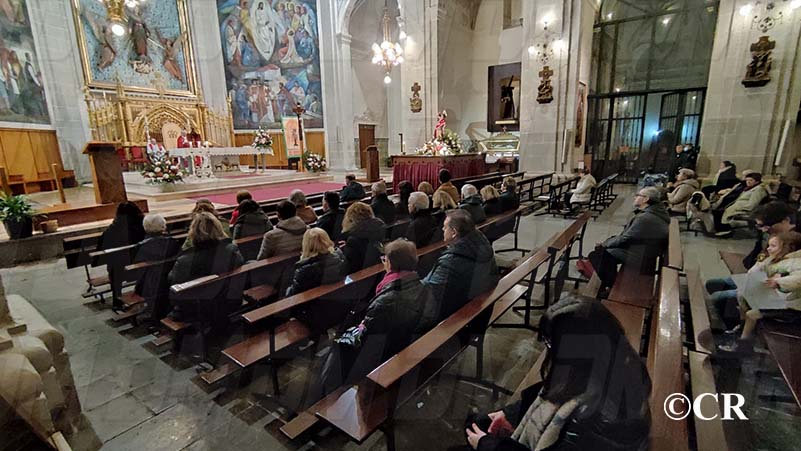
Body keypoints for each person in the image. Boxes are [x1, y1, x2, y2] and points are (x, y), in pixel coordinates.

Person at [464, 297, 651, 451]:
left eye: (550, 342)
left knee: (475, 434)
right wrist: (510, 415)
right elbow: (554, 391)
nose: (548, 349)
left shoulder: (602, 416)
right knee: (478, 423)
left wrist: (490, 446)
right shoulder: (603, 368)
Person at [315, 239, 436, 397]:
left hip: (383, 356)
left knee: (335, 352)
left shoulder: (386, 301)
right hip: (404, 345)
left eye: (385, 259)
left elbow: (367, 340)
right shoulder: (423, 287)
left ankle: (323, 396)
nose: (384, 263)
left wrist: (346, 336)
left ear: (390, 264)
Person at [707, 202, 801, 329]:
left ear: (786, 221)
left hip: (779, 293)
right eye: (760, 226)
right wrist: (754, 273)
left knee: (718, 298)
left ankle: (734, 327)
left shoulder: (795, 242)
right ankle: (730, 320)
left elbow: (792, 277)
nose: (764, 230)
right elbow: (761, 257)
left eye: (767, 226)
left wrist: (775, 280)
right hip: (759, 277)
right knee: (714, 284)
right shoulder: (774, 234)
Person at [718, 231, 801, 354]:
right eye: (769, 245)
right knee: (741, 295)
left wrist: (778, 282)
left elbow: (798, 279)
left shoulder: (797, 261)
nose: (768, 249)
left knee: (752, 314)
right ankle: (741, 329)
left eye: (773, 246)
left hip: (793, 308)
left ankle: (743, 347)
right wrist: (764, 262)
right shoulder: (778, 258)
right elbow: (754, 272)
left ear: (788, 247)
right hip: (780, 299)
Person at [423, 209, 499, 321]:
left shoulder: (450, 262)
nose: (442, 229)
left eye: (445, 227)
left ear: (454, 232)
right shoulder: (482, 243)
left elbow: (429, 292)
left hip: (457, 315)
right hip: (480, 307)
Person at [587, 187, 669, 289]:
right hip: (646, 249)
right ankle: (609, 282)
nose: (634, 197)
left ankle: (614, 287)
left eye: (638, 195)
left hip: (642, 255)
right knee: (605, 252)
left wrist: (604, 244)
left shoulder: (645, 218)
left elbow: (626, 238)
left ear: (646, 199)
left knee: (597, 255)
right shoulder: (654, 212)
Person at [168, 212, 244, 321]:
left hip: (198, 310)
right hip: (230, 301)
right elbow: (240, 264)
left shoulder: (185, 260)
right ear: (218, 229)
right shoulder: (231, 250)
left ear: (193, 232)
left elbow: (174, 284)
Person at [97, 201, 146, 310]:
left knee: (115, 265)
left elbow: (101, 251)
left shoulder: (111, 231)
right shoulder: (144, 227)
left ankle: (116, 298)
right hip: (142, 267)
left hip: (121, 272)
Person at [134, 214, 181, 323]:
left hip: (148, 284)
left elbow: (136, 270)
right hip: (171, 279)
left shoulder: (141, 246)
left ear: (145, 227)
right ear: (163, 226)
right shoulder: (173, 242)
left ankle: (154, 312)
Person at [286, 228, 347, 296]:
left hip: (317, 300)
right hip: (340, 296)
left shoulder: (304, 269)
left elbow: (293, 294)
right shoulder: (339, 256)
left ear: (306, 244)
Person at [341, 202, 386, 274]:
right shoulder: (378, 229)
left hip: (361, 274)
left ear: (351, 218)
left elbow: (349, 268)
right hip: (378, 267)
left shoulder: (353, 239)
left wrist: (340, 253)